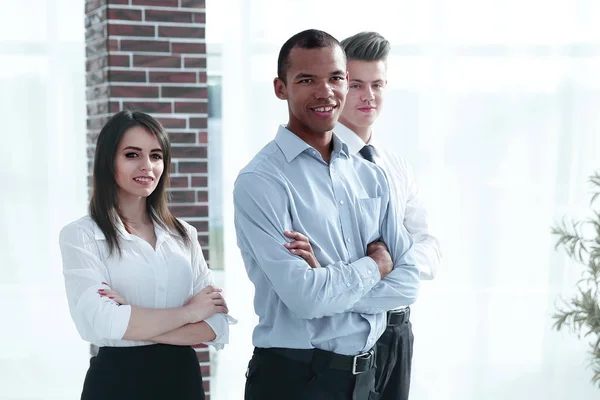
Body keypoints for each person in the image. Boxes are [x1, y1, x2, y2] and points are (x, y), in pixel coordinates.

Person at [233, 29, 420, 400]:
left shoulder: (370, 173)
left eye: (335, 78)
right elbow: (305, 299)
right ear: (280, 88)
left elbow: (410, 281)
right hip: (294, 379)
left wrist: (329, 282)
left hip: (367, 378)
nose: (325, 91)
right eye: (307, 80)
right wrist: (376, 265)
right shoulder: (261, 181)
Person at [288, 32, 442, 400]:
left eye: (377, 84)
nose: (368, 96)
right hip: (345, 339)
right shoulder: (313, 165)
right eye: (356, 84)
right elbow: (312, 277)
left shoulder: (396, 165)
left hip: (399, 334)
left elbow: (430, 250)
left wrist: (373, 271)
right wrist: (379, 268)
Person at [58, 110, 235, 400]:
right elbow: (102, 321)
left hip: (183, 382)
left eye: (156, 156)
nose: (147, 166)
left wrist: (131, 319)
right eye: (131, 155)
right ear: (108, 161)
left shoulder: (184, 234)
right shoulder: (82, 235)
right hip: (116, 383)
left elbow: (215, 325)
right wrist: (189, 313)